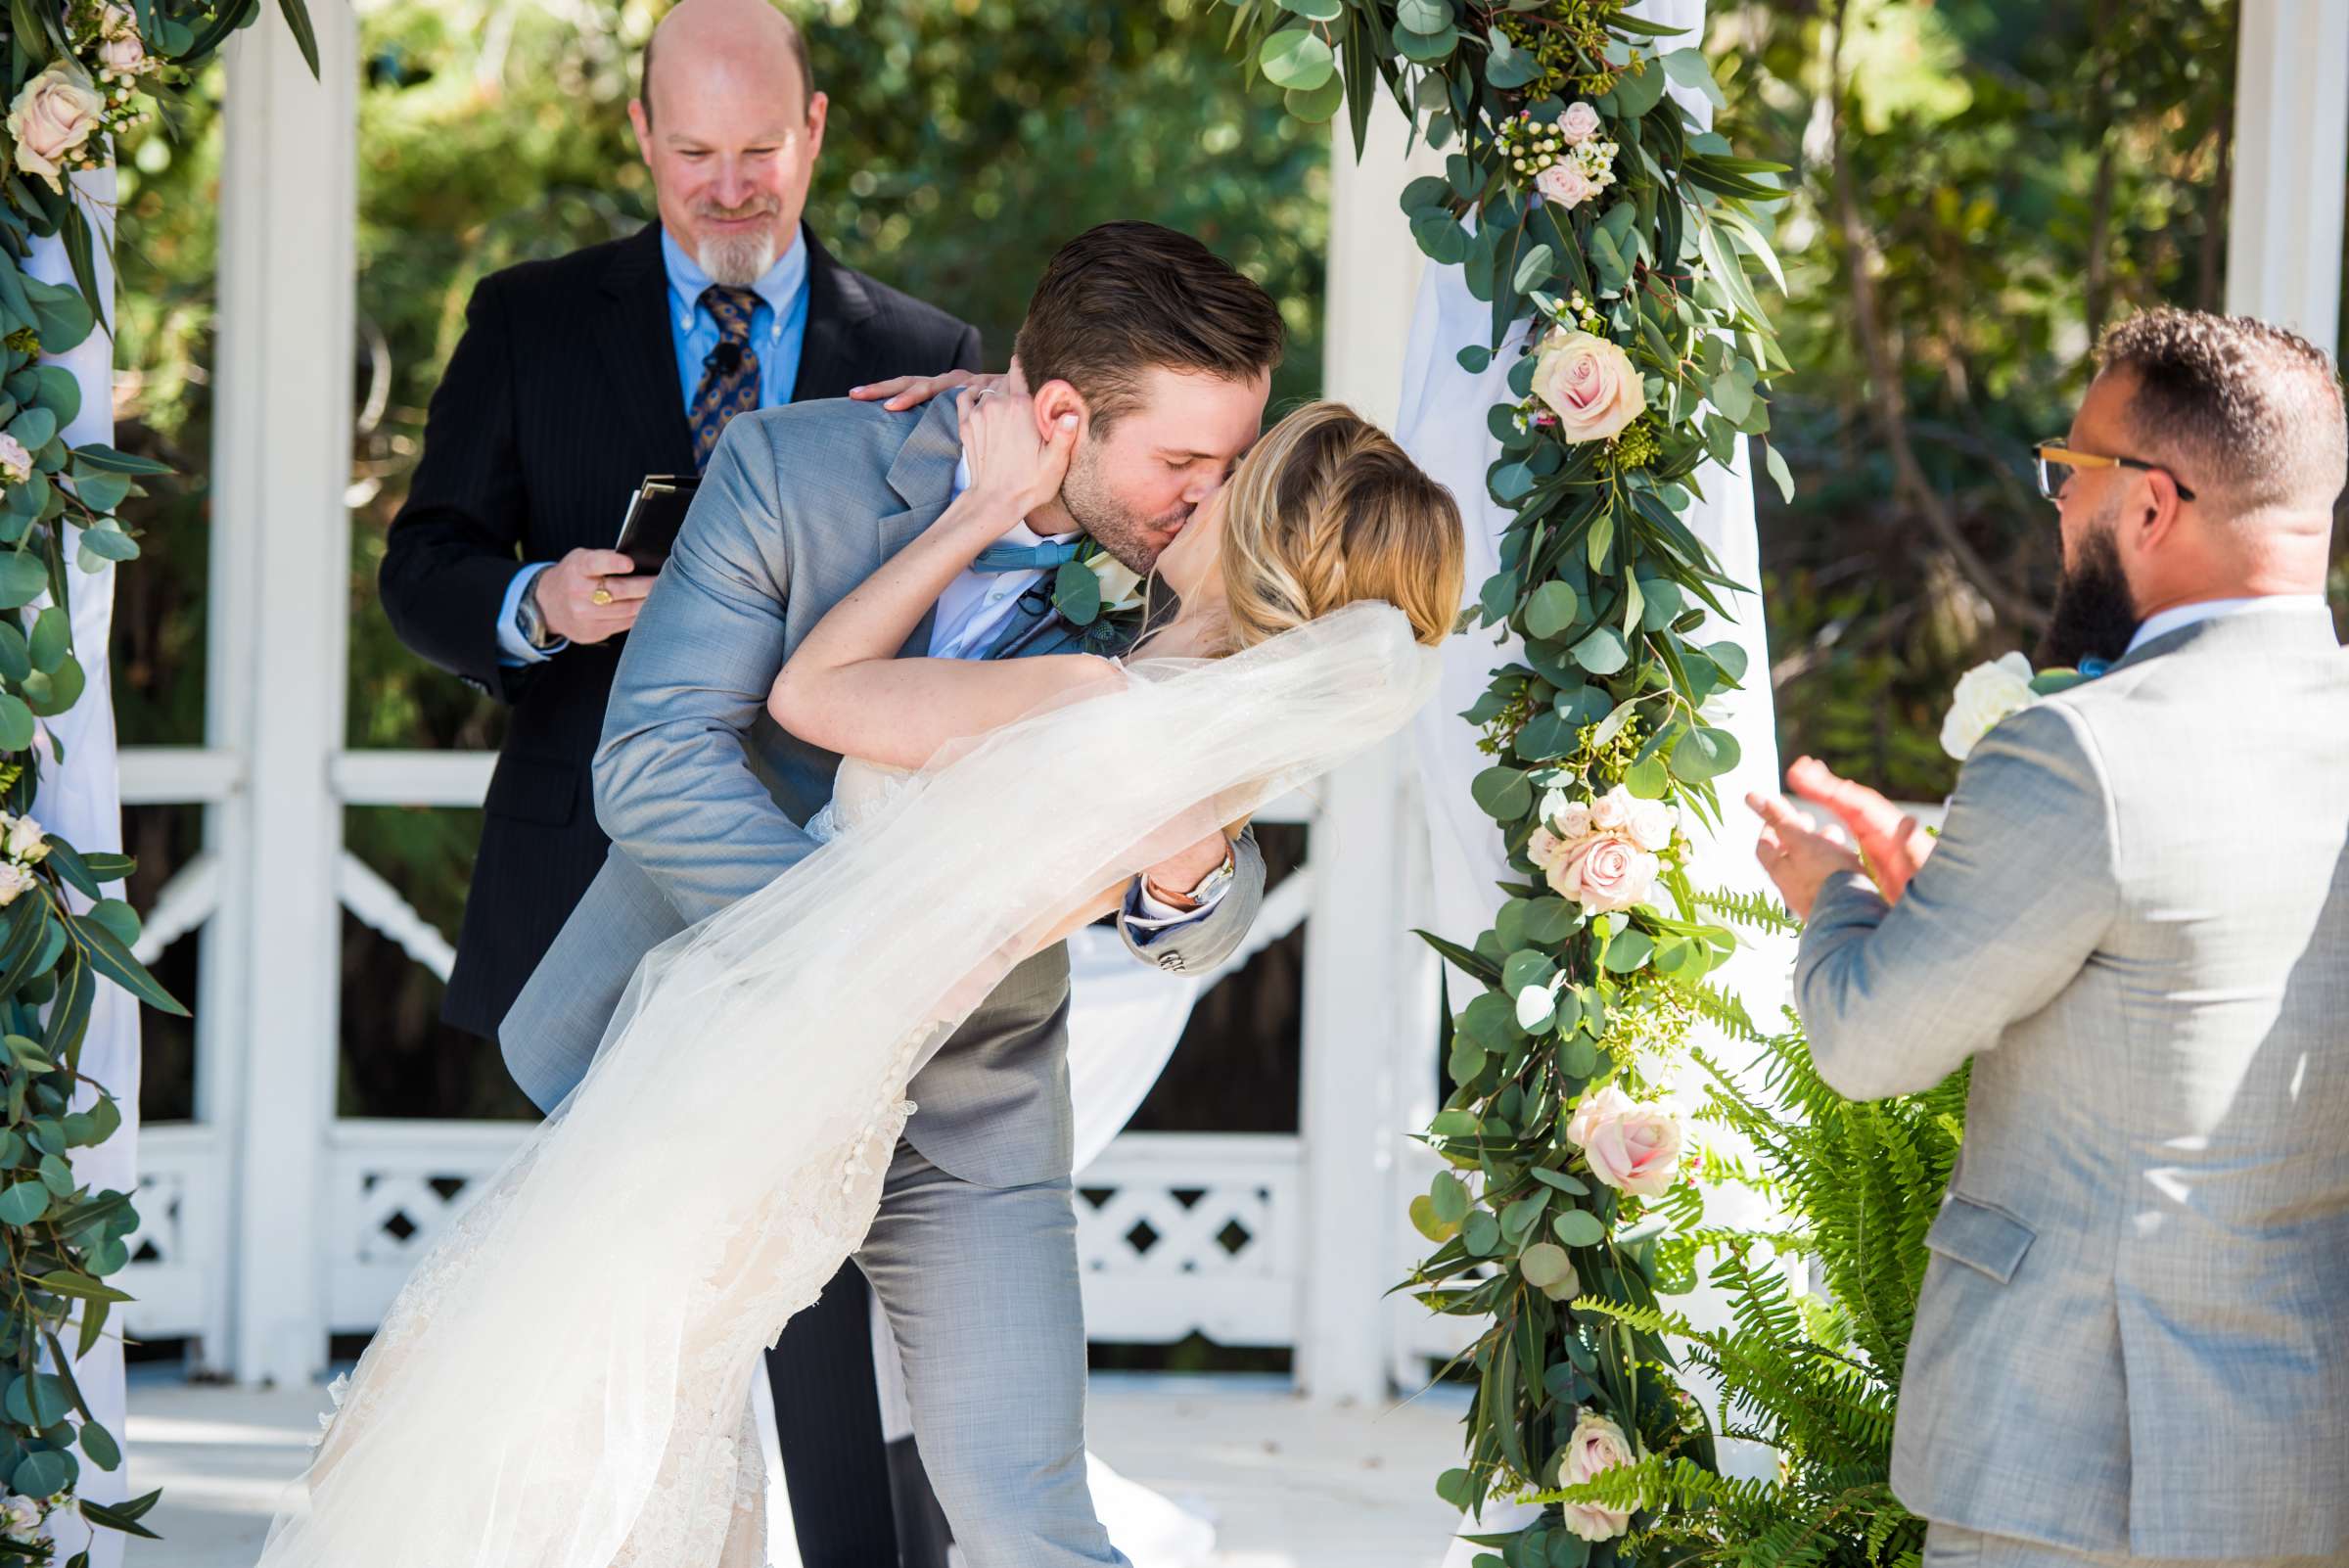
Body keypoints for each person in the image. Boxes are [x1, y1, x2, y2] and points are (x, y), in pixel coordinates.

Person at [256, 375, 1466, 1565]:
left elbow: (816, 695)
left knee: (555, 1411)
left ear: (1255, 545)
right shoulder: (1191, 765)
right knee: (634, 1418)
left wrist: (975, 511)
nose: (1187, 499)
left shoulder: (1095, 693)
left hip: (758, 1067)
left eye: (1224, 486)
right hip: (820, 1079)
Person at [372, 1, 979, 1555]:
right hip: (582, 876)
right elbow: (421, 563)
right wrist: (536, 603)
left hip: (816, 883)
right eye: (694, 151)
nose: (728, 186)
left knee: (821, 1271)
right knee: (609, 1285)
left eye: (758, 150)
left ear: (815, 132)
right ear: (641, 136)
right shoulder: (526, 319)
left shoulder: (922, 358)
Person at [1749, 307, 2348, 1568]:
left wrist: (1838, 901)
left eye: (2069, 471)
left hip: (2081, 1464)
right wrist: (1952, 900)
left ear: (2150, 505)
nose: (2056, 507)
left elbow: (1869, 1040)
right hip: (2304, 1452)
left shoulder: (2085, 748)